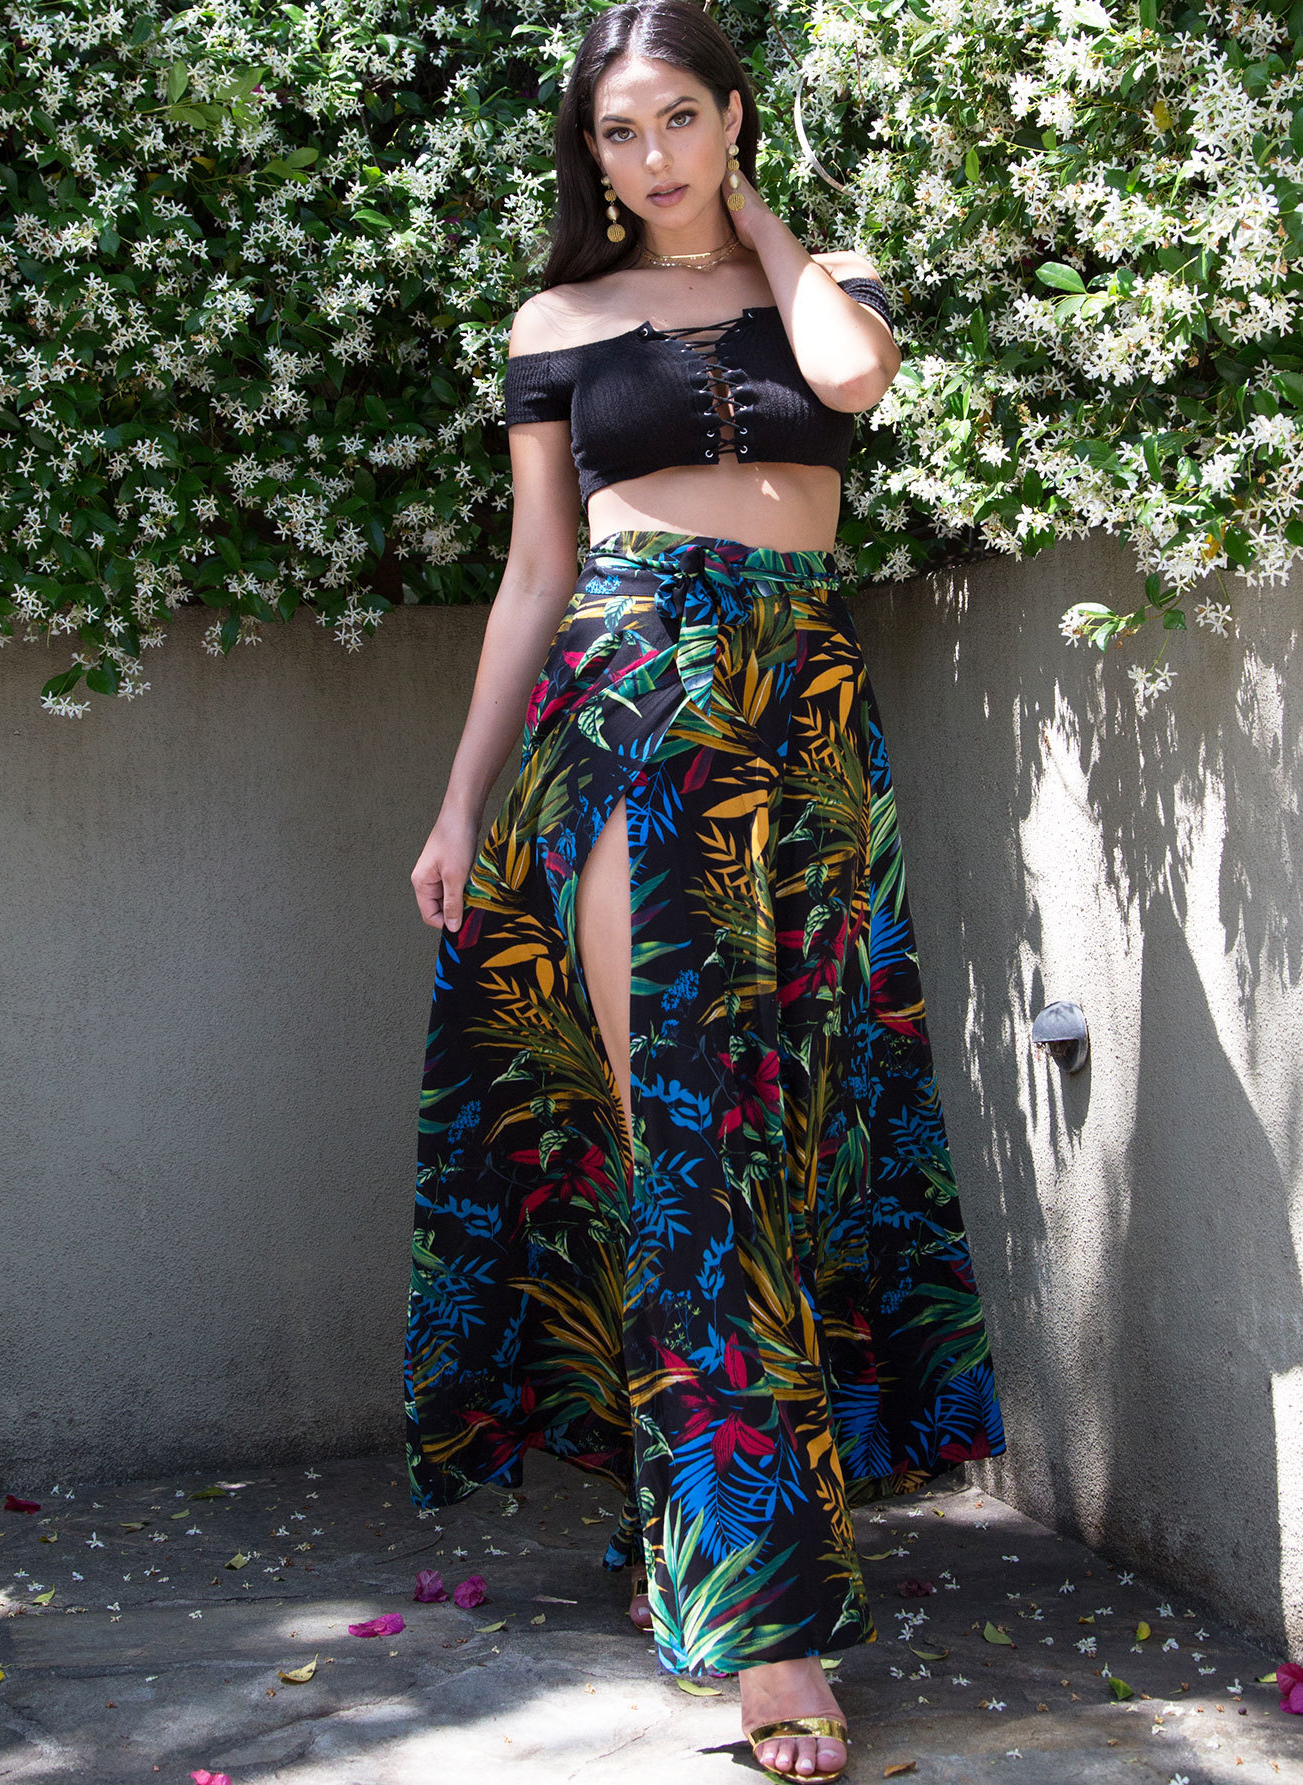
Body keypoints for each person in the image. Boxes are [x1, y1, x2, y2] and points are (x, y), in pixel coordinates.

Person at [403, 4, 1005, 1778]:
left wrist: (756, 227)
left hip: (805, 721)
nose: (650, 155)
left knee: (795, 1144)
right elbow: (535, 572)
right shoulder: (556, 324)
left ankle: (696, 1516)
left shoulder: (828, 281)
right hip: (626, 711)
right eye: (618, 130)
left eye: (680, 117)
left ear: (735, 117)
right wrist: (458, 805)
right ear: (585, 152)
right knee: (693, 1140)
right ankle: (772, 1636)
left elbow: (851, 380)